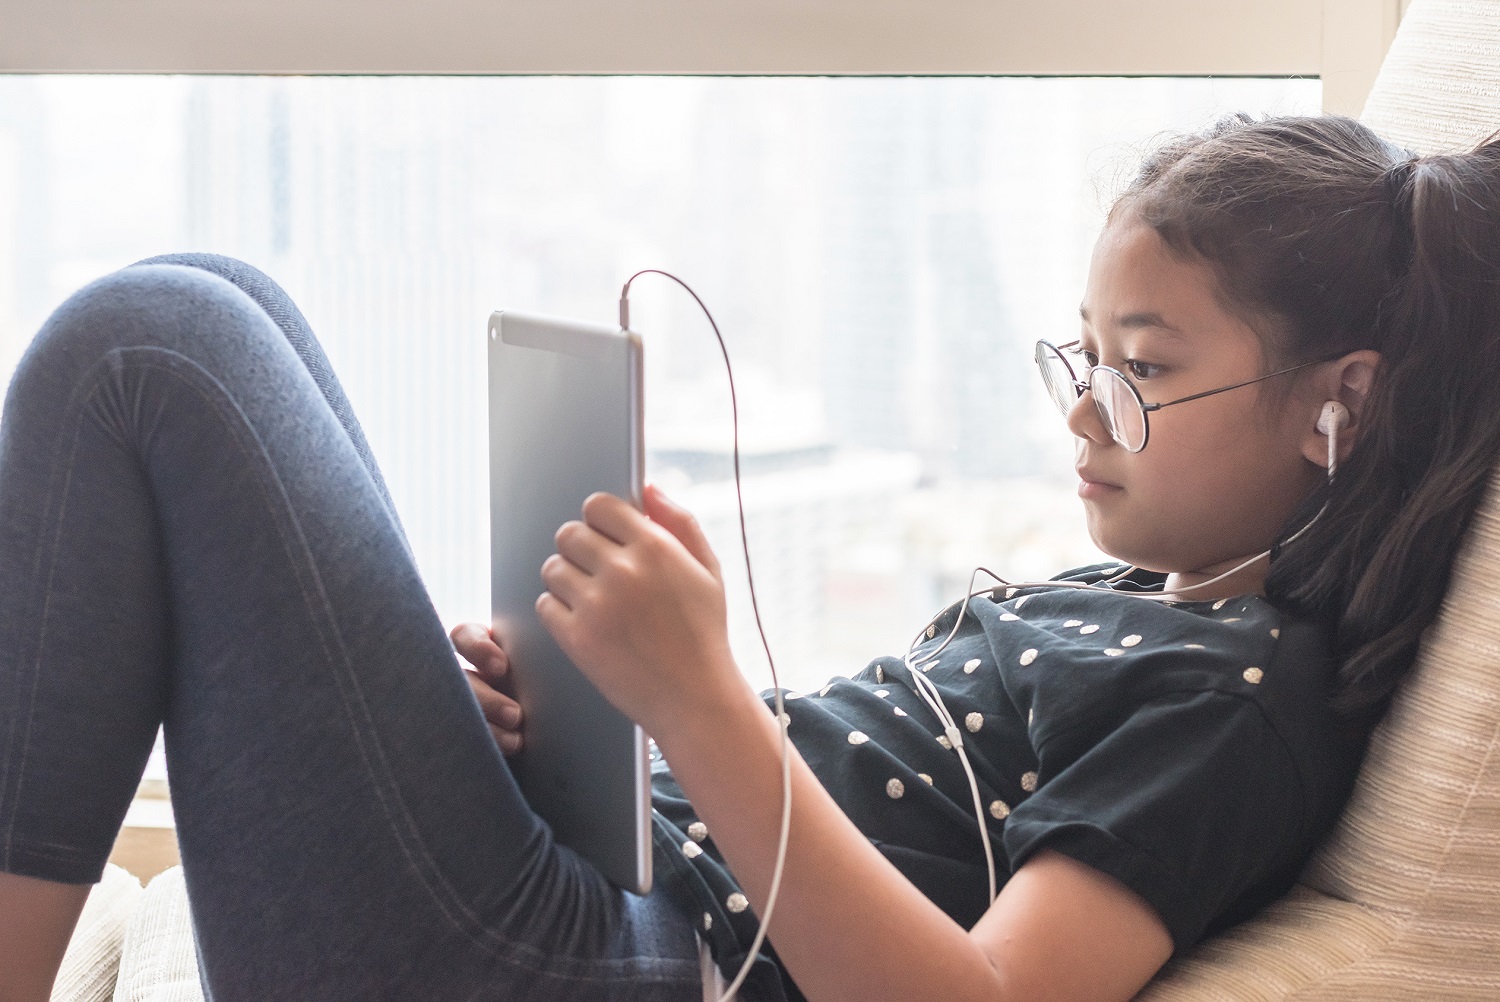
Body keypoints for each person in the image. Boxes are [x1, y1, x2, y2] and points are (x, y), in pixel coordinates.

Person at [4, 112, 1500, 1002]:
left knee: (154, 352)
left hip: (597, 968)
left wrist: (700, 697)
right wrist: (562, 726)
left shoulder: (1241, 700)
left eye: (1141, 370)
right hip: (591, 881)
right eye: (1082, 352)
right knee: (215, 294)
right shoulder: (1131, 602)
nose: (1080, 410)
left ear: (1340, 405)